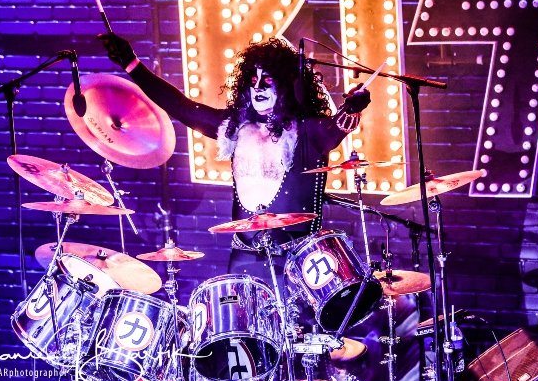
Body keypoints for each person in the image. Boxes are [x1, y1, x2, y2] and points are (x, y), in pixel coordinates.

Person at [99, 32, 371, 282]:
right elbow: (181, 107)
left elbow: (338, 126)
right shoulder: (234, 127)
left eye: (267, 81)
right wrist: (132, 65)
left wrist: (353, 107)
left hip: (299, 263)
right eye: (253, 81)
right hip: (244, 258)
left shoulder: (309, 131)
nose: (258, 88)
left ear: (288, 85)